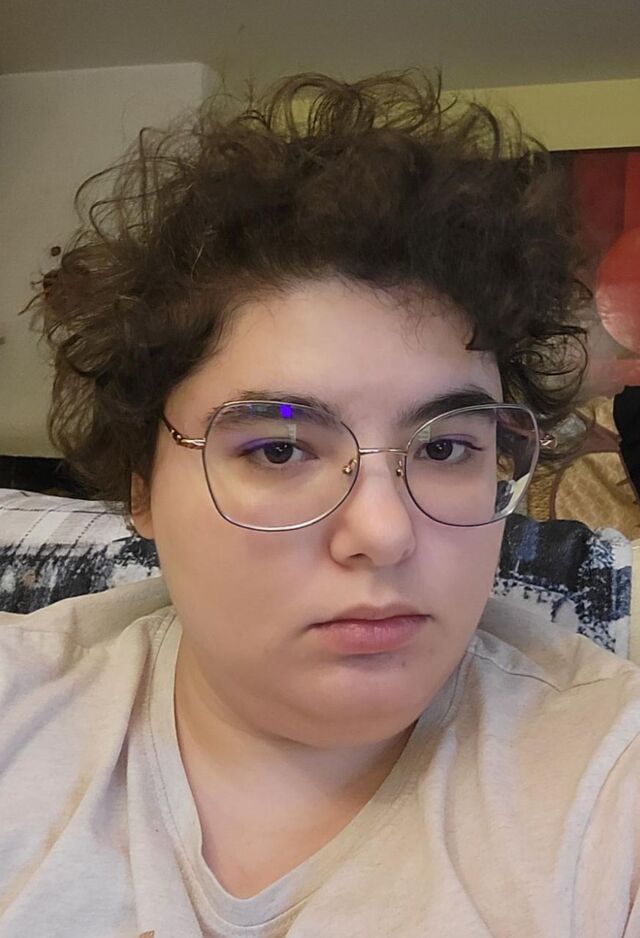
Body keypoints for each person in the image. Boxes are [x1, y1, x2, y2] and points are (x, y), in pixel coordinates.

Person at [1, 70, 639, 937]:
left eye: (445, 448)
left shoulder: (610, 790)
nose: (383, 532)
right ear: (140, 486)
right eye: (278, 449)